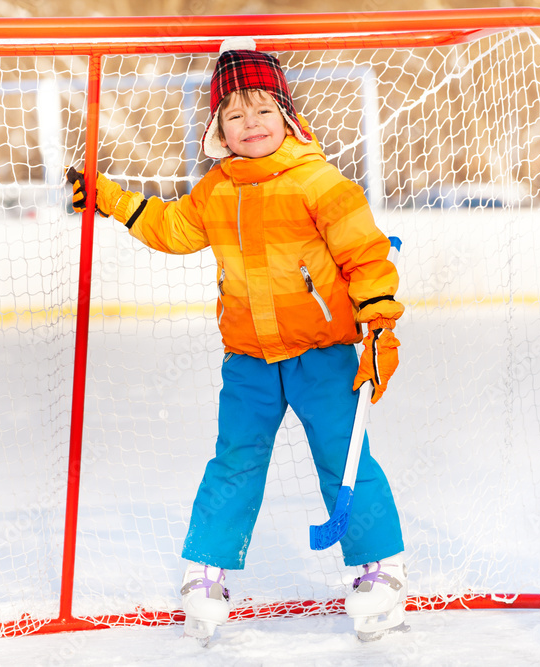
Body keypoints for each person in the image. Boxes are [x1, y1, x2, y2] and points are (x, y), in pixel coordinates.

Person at [67, 37, 407, 642]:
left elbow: (365, 256)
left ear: (287, 115)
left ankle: (379, 568)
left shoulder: (320, 183)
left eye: (262, 110)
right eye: (234, 113)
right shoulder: (217, 189)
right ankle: (208, 574)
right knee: (236, 461)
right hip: (248, 361)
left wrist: (380, 328)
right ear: (219, 128)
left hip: (322, 353)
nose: (250, 123)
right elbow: (173, 228)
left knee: (342, 456)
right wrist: (110, 200)